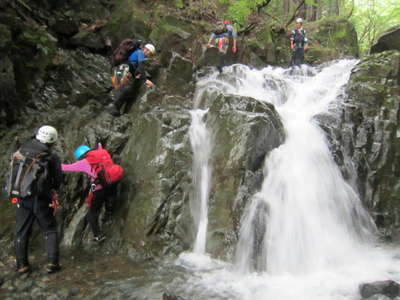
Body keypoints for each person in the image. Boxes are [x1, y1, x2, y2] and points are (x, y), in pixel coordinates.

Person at [9, 125, 63, 274]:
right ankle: (53, 263)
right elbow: (58, 180)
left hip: (20, 196)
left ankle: (22, 266)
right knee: (50, 229)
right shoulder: (51, 156)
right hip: (40, 198)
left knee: (21, 231)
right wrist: (52, 190)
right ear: (52, 141)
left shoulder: (22, 149)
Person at [61, 144, 119, 242]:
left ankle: (98, 235)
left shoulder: (84, 162)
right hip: (113, 180)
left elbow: (65, 167)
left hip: (99, 187)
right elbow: (100, 147)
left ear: (81, 156)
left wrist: (51, 162)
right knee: (109, 195)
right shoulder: (103, 152)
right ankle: (110, 210)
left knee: (92, 213)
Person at [107, 43, 156, 116]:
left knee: (131, 90)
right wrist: (145, 80)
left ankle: (119, 108)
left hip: (123, 70)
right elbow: (140, 67)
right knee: (128, 89)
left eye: (150, 53)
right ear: (145, 49)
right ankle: (114, 106)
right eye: (148, 52)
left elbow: (138, 69)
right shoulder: (140, 53)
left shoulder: (139, 54)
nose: (148, 53)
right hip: (124, 70)